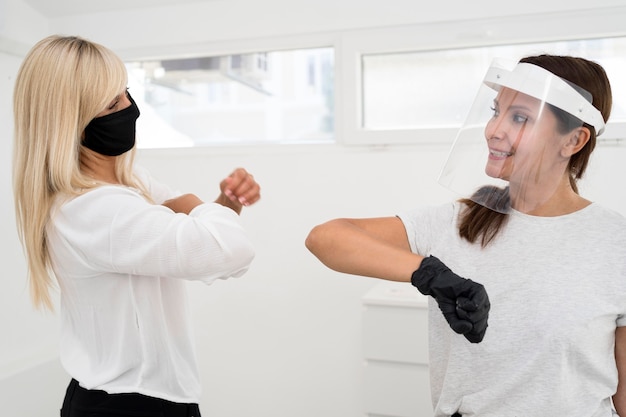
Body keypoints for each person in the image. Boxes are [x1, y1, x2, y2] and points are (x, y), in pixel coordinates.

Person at [306, 54, 626, 416]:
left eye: (519, 117)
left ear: (574, 140)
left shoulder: (616, 243)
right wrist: (431, 274)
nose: (495, 130)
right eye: (496, 111)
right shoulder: (459, 222)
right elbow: (326, 238)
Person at [12, 35, 261, 417]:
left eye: (126, 91)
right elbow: (228, 250)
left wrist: (224, 204)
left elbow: (194, 224)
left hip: (142, 396)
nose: (130, 108)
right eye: (112, 103)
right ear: (72, 124)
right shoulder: (95, 210)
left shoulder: (127, 181)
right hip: (127, 403)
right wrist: (199, 212)